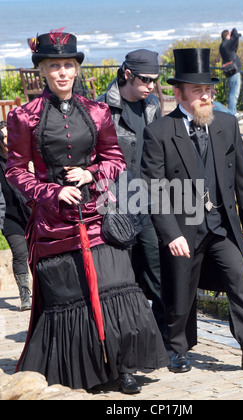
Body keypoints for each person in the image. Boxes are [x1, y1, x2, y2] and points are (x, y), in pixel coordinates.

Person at [6, 29, 168, 394]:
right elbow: (15, 171)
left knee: (117, 287)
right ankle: (85, 371)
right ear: (43, 70)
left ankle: (123, 367)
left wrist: (91, 173)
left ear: (76, 69)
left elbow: (115, 159)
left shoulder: (97, 111)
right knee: (70, 299)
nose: (62, 72)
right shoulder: (23, 117)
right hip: (52, 224)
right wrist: (51, 191)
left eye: (68, 65)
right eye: (54, 66)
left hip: (98, 216)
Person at [141, 48, 243, 374]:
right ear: (179, 93)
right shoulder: (159, 132)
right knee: (181, 290)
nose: (206, 97)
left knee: (239, 278)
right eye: (198, 91)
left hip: (221, 225)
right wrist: (170, 234)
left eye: (209, 90)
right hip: (183, 228)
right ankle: (178, 349)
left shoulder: (226, 124)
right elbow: (153, 188)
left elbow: (241, 173)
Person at [97, 50, 167, 341]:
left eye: (155, 80)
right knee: (122, 275)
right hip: (114, 202)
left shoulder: (152, 105)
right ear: (127, 75)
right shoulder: (102, 108)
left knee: (157, 269)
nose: (152, 86)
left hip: (148, 200)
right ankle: (126, 337)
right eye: (146, 80)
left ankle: (165, 338)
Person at [0, 121, 31, 311]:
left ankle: (46, 291)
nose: (7, 140)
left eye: (9, 135)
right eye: (3, 137)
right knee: (21, 253)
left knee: (40, 254)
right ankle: (25, 295)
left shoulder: (24, 156)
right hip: (10, 218)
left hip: (32, 212)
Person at [220, 28, 243, 120]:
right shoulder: (226, 43)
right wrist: (234, 31)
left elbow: (235, 42)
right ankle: (232, 113)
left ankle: (233, 112)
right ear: (227, 36)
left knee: (232, 92)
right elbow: (235, 38)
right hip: (233, 71)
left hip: (230, 71)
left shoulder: (223, 45)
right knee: (234, 93)